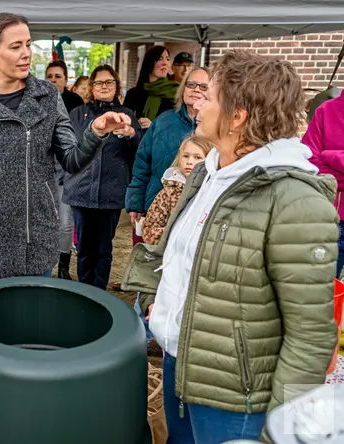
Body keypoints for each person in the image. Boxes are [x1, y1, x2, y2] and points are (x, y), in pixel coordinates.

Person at [122, 50, 339, 444]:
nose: (198, 102)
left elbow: (310, 333)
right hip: (181, 363)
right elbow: (177, 251)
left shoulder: (295, 200)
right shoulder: (208, 172)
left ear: (237, 116)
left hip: (235, 399)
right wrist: (158, 299)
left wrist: (281, 429)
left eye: (211, 95)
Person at [0, 13, 133, 283]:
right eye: (15, 47)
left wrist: (95, 132)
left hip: (35, 237)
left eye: (28, 44)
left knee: (34, 321)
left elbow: (71, 160)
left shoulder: (47, 96)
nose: (26, 54)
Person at [64, 65, 139, 290]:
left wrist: (131, 135)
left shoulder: (127, 114)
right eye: (99, 83)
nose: (104, 87)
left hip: (111, 191)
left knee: (104, 249)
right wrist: (64, 179)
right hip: (81, 190)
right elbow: (66, 148)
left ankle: (99, 292)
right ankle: (85, 291)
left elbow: (139, 152)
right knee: (85, 248)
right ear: (91, 87)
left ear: (116, 86)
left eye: (109, 82)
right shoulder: (78, 114)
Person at [126, 67, 211, 238]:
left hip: (198, 211)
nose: (195, 89)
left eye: (203, 86)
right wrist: (135, 202)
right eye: (191, 84)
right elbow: (142, 161)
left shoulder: (216, 126)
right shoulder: (163, 121)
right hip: (156, 207)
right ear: (183, 88)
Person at [46, 61, 85, 279]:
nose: (53, 80)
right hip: (43, 167)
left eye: (58, 76)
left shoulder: (75, 103)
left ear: (66, 79)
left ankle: (63, 265)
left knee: (64, 220)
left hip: (66, 169)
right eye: (50, 76)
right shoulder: (39, 100)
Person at [302, 92, 344, 279]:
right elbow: (310, 166)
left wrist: (330, 156)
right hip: (332, 220)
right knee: (325, 291)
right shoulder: (327, 111)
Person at [141, 136, 212, 245]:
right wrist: (174, 235)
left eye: (197, 157)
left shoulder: (212, 191)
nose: (190, 162)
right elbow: (149, 230)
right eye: (186, 156)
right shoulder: (169, 192)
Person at [123, 46, 178, 130]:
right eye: (160, 58)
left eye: (167, 59)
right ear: (149, 63)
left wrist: (154, 125)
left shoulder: (174, 92)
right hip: (137, 141)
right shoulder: (133, 94)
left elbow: (178, 125)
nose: (165, 63)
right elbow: (124, 124)